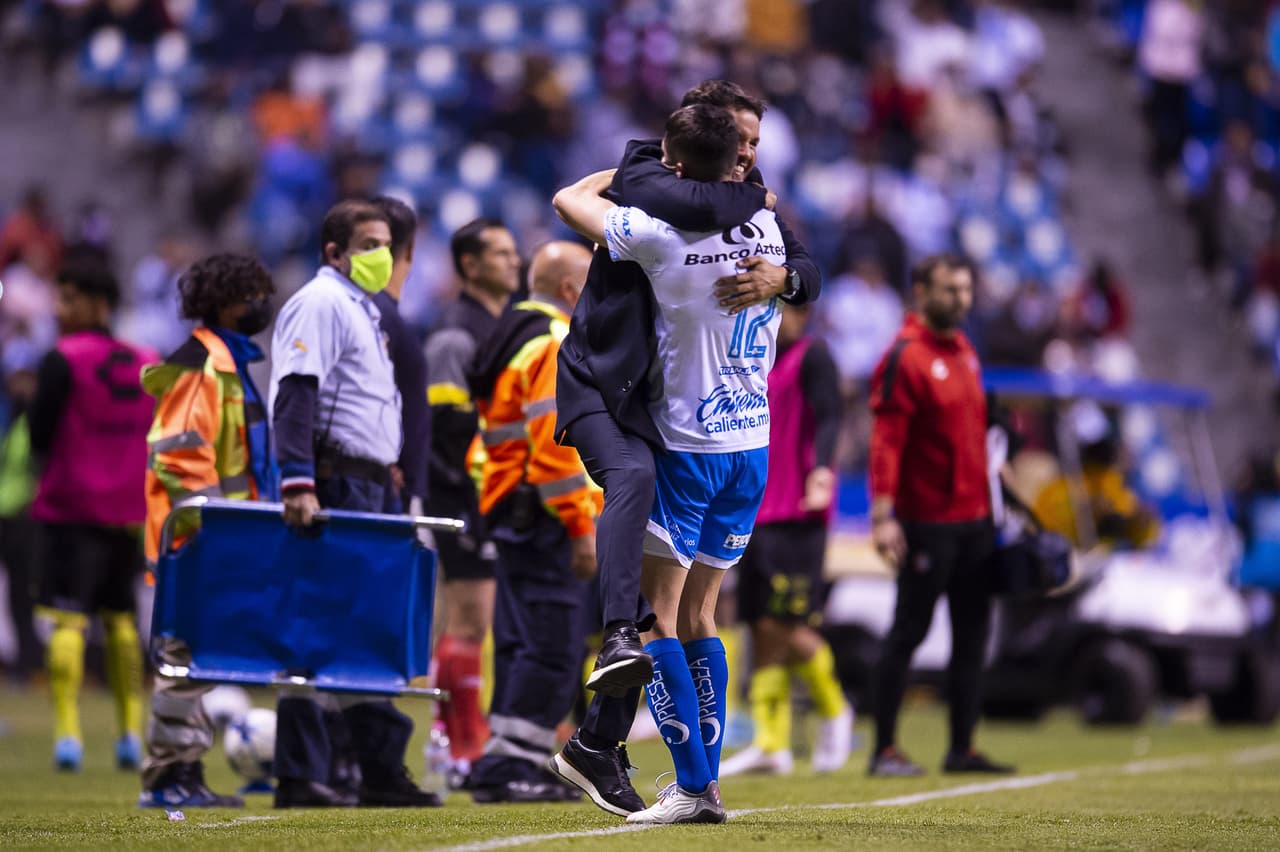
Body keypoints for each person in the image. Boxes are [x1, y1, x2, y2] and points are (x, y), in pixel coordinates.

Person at [550, 79, 821, 818]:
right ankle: (705, 780)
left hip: (689, 445)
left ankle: (696, 787)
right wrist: (787, 275)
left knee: (658, 620)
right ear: (736, 159)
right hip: (752, 445)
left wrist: (628, 170)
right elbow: (805, 272)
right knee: (706, 615)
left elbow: (569, 201)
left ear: (675, 162)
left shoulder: (657, 237)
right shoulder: (767, 233)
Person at [269, 198, 437, 808]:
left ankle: (376, 769)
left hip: (368, 483)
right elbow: (296, 391)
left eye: (385, 245)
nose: (380, 256)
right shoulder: (320, 303)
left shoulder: (359, 309)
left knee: (363, 630)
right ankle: (301, 772)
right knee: (315, 626)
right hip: (332, 481)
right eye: (367, 244)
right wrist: (297, 480)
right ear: (333, 252)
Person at [137, 253, 279, 808]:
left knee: (193, 660)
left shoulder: (224, 361)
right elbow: (179, 455)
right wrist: (215, 523)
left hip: (216, 536)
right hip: (198, 539)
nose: (262, 307)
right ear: (226, 303)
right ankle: (167, 776)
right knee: (182, 662)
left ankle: (182, 770)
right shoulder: (202, 364)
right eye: (254, 297)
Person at [867, 253, 1014, 778]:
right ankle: (884, 749)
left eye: (967, 290)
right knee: (908, 632)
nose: (962, 299)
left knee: (972, 638)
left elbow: (977, 434)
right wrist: (883, 517)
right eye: (951, 290)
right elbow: (887, 442)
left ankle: (962, 749)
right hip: (927, 521)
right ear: (922, 292)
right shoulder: (905, 357)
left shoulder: (966, 351)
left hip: (976, 521)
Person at [466, 241, 599, 804]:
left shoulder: (511, 333)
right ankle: (512, 766)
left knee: (522, 641)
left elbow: (490, 443)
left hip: (513, 509)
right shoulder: (553, 341)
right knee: (553, 644)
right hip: (547, 516)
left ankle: (509, 755)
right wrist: (580, 526)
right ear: (571, 290)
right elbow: (557, 446)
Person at [28, 254, 158, 772]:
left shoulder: (64, 357)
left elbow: (39, 434)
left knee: (67, 618)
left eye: (68, 297)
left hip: (69, 507)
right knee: (122, 620)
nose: (59, 308)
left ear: (98, 303)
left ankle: (68, 736)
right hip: (127, 509)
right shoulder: (149, 359)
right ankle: (130, 736)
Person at [719, 302, 853, 778]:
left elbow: (831, 417)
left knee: (790, 622)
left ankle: (836, 711)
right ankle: (771, 745)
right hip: (754, 509)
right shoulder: (752, 361)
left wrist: (820, 470)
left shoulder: (814, 355)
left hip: (798, 510)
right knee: (759, 624)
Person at [424, 218, 521, 773]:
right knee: (468, 621)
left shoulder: (499, 325)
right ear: (469, 265)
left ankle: (454, 737)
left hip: (492, 496)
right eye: (501, 253)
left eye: (514, 253)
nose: (514, 261)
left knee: (476, 623)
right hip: (463, 499)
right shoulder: (455, 334)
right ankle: (461, 745)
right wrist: (471, 499)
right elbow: (446, 432)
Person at [370, 196, 430, 517]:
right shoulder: (378, 318)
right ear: (410, 250)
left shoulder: (376, 315)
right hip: (384, 489)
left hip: (386, 484)